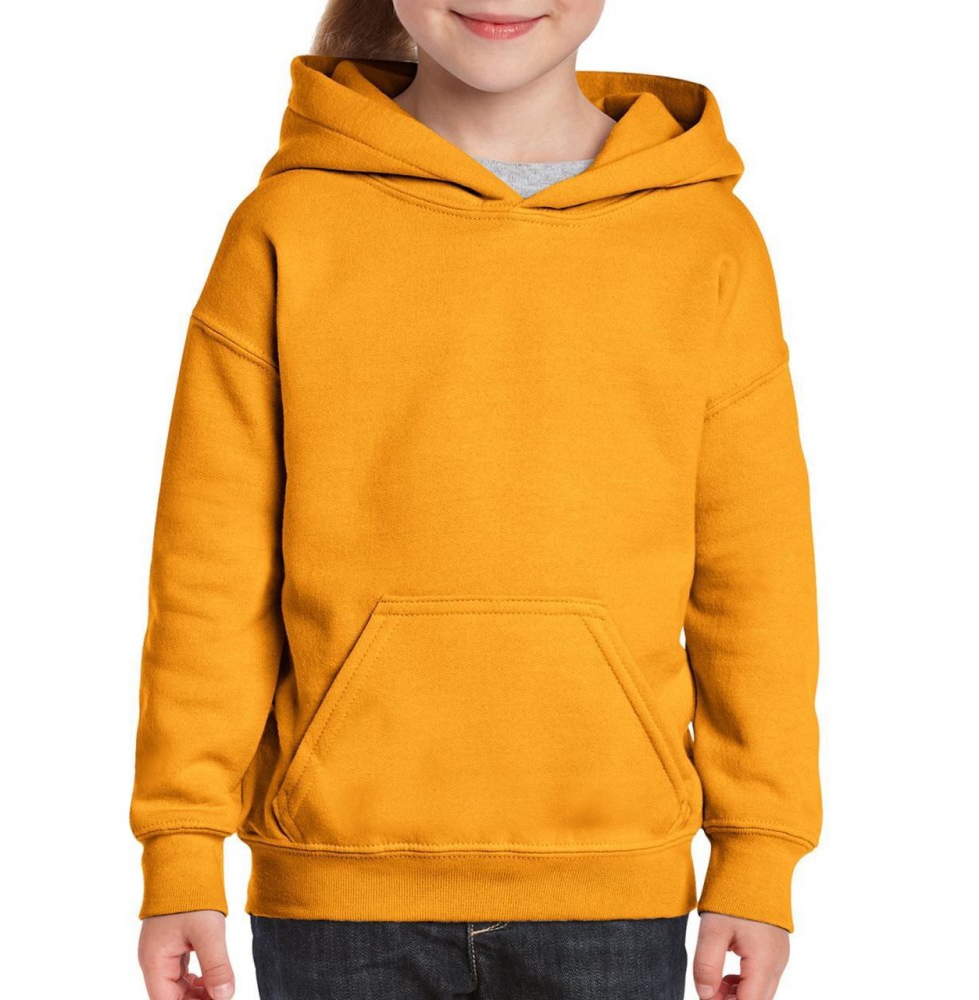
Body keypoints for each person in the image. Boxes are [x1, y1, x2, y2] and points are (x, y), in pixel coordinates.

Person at [129, 1, 822, 998]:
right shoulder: (288, 227)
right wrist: (181, 846)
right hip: (337, 891)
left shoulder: (705, 239)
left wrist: (758, 852)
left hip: (614, 886)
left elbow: (755, 578)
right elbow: (210, 570)